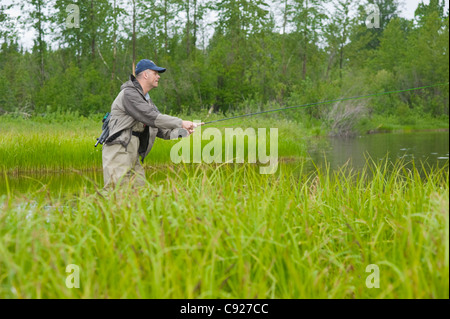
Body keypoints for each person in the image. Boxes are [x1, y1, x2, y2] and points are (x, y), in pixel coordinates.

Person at [102, 59, 199, 189]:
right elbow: (153, 117)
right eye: (155, 73)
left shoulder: (147, 101)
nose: (158, 76)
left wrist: (183, 132)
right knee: (116, 192)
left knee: (140, 191)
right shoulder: (129, 94)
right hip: (119, 149)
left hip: (133, 152)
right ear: (145, 75)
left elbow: (160, 130)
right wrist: (181, 122)